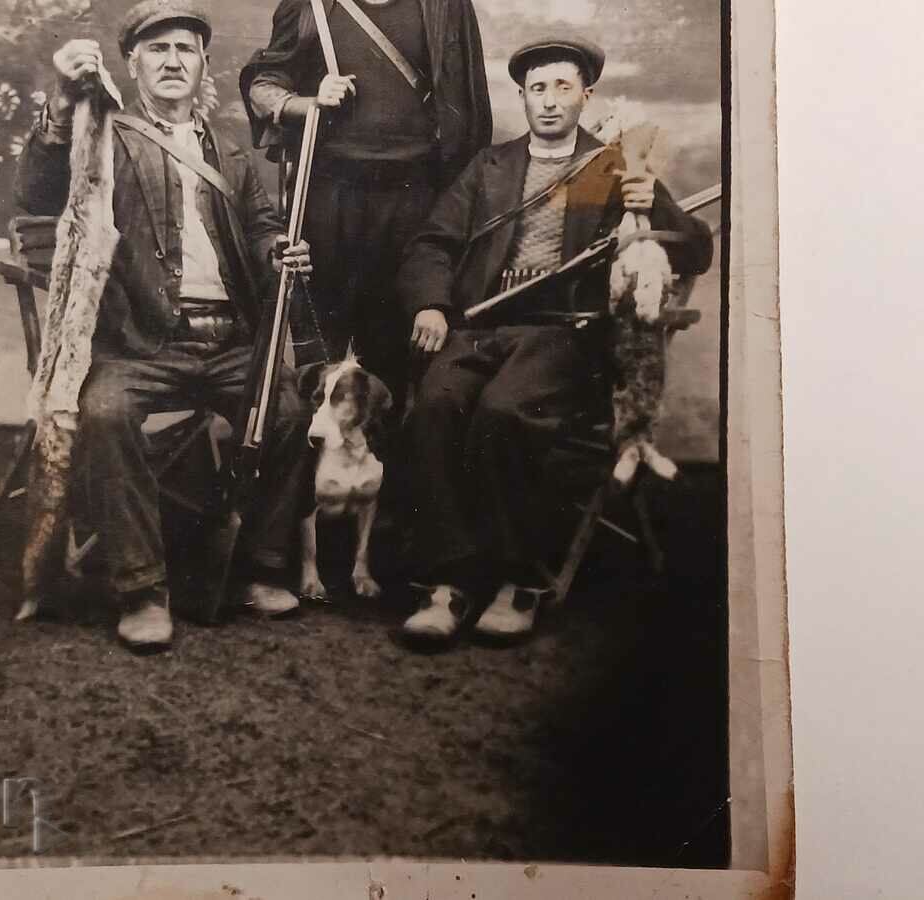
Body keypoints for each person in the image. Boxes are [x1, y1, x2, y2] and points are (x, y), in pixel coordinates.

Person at [395, 30, 715, 646]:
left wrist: (655, 209)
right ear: (521, 96)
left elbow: (694, 248)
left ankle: (520, 578)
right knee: (434, 405)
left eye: (562, 87)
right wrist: (433, 304)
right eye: (536, 88)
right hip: (483, 325)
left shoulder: (610, 166)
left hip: (565, 336)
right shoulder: (490, 167)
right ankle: (448, 583)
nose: (548, 100)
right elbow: (432, 243)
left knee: (504, 411)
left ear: (585, 95)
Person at [15, 2, 315, 653]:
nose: (174, 59)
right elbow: (38, 194)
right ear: (133, 64)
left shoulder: (231, 155)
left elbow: (262, 228)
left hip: (229, 341)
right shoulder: (105, 137)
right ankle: (143, 588)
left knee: (290, 405)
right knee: (105, 411)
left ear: (203, 62)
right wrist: (62, 106)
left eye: (186, 48)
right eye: (158, 49)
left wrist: (278, 251)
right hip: (140, 345)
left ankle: (256, 568)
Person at [239, 0, 492, 401]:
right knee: (324, 354)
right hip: (329, 199)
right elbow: (263, 84)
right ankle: (318, 457)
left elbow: (472, 105)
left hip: (415, 201)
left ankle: (391, 458)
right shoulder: (310, 5)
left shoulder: (446, 6)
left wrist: (465, 205)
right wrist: (310, 102)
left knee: (401, 353)